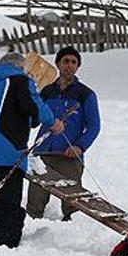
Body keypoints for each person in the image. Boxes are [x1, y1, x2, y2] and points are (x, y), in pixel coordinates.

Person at [0, 52, 63, 248]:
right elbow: (34, 106)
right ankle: (5, 243)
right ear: (20, 66)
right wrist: (53, 122)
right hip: (5, 154)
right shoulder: (19, 79)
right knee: (8, 200)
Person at [26, 46, 101, 221]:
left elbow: (94, 126)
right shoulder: (46, 92)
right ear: (58, 64)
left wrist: (79, 146)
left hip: (69, 156)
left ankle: (69, 239)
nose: (69, 65)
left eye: (73, 62)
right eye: (65, 61)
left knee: (72, 207)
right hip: (42, 154)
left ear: (78, 67)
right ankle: (29, 238)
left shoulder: (86, 94)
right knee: (34, 204)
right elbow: (34, 119)